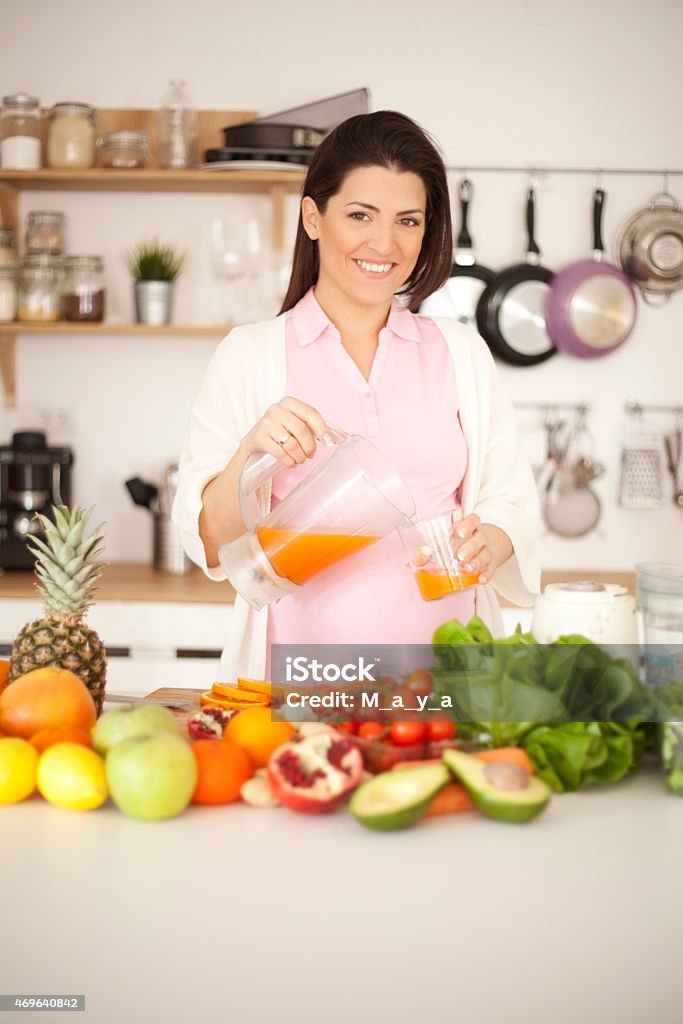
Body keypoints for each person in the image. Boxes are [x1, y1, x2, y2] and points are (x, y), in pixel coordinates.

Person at [173, 110, 541, 682]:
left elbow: (509, 498)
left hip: (446, 686)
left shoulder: (461, 353)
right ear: (313, 217)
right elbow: (211, 545)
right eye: (360, 215)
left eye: (408, 220)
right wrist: (249, 454)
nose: (385, 243)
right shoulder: (250, 356)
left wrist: (490, 540)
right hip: (301, 686)